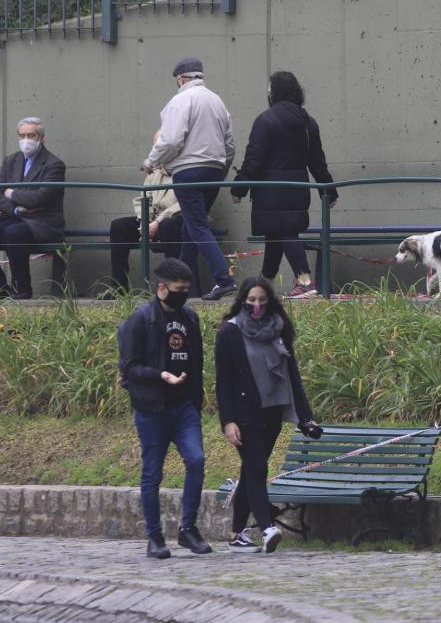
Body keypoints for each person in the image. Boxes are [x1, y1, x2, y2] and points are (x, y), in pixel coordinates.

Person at [215, 275, 323, 553]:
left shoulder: (280, 328)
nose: (257, 306)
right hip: (244, 412)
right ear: (242, 301)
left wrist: (305, 416)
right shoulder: (230, 331)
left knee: (251, 468)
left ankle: (237, 534)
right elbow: (223, 381)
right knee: (257, 468)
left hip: (273, 409)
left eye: (262, 300)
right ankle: (267, 528)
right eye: (251, 301)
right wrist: (227, 421)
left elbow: (292, 374)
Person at [117, 257, 212, 559]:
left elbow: (197, 361)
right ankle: (155, 537)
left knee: (196, 460)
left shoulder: (190, 318)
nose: (183, 293)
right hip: (152, 408)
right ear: (161, 288)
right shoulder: (141, 319)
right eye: (177, 289)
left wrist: (196, 398)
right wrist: (161, 375)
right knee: (152, 474)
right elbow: (129, 368)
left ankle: (188, 529)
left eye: (186, 289)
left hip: (184, 407)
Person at [231, 71, 338, 299]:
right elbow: (317, 162)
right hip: (299, 188)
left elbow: (253, 159)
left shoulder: (265, 120)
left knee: (284, 231)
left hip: (271, 191)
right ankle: (265, 284)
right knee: (276, 234)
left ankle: (305, 280)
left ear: (274, 93)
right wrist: (329, 191)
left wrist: (238, 188)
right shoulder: (309, 123)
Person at [143, 57, 237, 301]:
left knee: (196, 226)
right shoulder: (217, 102)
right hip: (214, 171)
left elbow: (171, 139)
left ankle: (224, 280)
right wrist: (221, 170)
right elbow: (230, 145)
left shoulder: (180, 101)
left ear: (180, 79)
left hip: (187, 172)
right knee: (190, 228)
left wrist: (151, 161)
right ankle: (178, 284)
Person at [0, 117, 66, 299]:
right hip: (12, 217)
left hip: (41, 223)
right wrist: (18, 209)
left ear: (41, 137)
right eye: (22, 135)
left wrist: (10, 193)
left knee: (14, 233)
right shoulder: (11, 161)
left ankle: (22, 290)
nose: (26, 140)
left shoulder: (54, 164)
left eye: (31, 135)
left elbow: (40, 197)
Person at [103, 163, 183, 297]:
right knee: (119, 226)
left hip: (177, 218)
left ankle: (174, 287)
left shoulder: (185, 169)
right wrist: (144, 221)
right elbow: (145, 199)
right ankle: (118, 289)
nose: (157, 151)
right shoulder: (154, 172)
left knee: (168, 225)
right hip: (154, 219)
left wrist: (157, 222)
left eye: (161, 146)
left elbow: (184, 203)